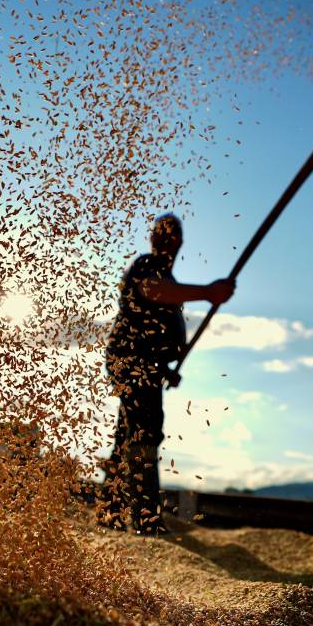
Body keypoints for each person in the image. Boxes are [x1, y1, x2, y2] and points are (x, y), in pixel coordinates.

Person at [102, 213, 234, 534]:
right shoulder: (147, 266)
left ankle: (111, 513)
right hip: (132, 362)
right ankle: (146, 520)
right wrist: (207, 292)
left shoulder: (170, 279)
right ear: (154, 239)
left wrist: (166, 370)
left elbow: (155, 327)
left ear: (180, 242)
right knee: (145, 432)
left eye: (173, 235)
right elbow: (151, 291)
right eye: (163, 234)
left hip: (148, 366)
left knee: (128, 437)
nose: (168, 240)